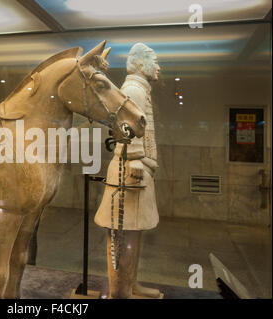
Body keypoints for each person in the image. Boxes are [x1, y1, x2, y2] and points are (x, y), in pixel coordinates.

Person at [94, 43, 162, 299]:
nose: (158, 67)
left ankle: (130, 286)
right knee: (123, 236)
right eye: (154, 61)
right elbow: (125, 125)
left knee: (132, 233)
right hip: (129, 171)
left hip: (137, 171)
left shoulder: (140, 88)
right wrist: (133, 157)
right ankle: (119, 293)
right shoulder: (133, 88)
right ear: (141, 64)